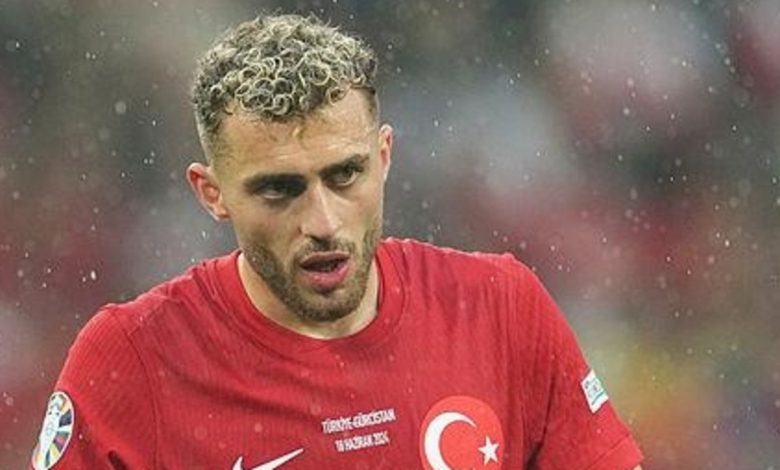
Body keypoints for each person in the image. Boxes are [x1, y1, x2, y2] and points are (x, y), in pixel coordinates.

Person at [30, 13, 644, 470]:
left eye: (345, 175)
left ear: (384, 156)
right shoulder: (132, 361)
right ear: (211, 193)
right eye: (280, 189)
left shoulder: (500, 307)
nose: (322, 221)